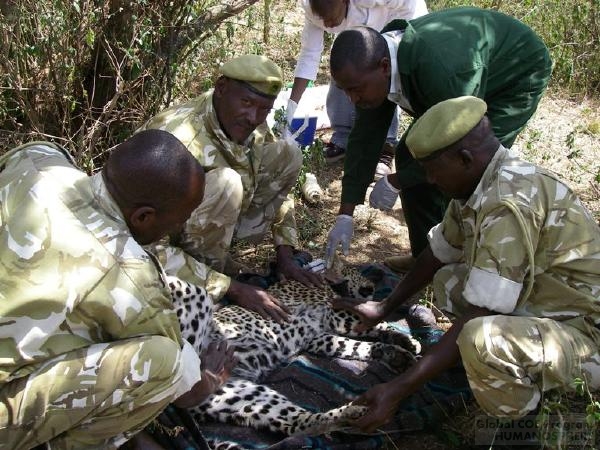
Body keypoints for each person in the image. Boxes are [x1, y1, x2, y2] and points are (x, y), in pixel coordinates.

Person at [333, 96, 600, 432]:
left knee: (479, 338)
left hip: (587, 336)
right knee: (448, 280)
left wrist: (397, 390)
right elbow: (437, 253)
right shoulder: (478, 182)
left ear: (464, 158)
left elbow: (481, 313)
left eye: (432, 171)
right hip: (551, 306)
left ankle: (522, 430)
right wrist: (385, 307)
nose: (430, 181)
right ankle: (506, 366)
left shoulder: (507, 202)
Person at [0, 130, 237, 449]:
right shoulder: (129, 270)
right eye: (178, 220)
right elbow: (184, 388)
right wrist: (207, 377)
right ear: (143, 217)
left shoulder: (38, 158)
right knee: (164, 362)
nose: (178, 229)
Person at [324, 6, 552, 272]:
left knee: (471, 169)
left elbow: (457, 146)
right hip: (465, 79)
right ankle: (425, 257)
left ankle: (472, 265)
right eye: (346, 92)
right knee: (414, 154)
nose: (353, 99)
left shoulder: (440, 70)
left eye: (355, 90)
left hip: (515, 73)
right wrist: (346, 213)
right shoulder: (374, 65)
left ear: (384, 67)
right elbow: (364, 140)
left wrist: (399, 180)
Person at [138, 54, 323, 324]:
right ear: (222, 87)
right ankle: (200, 287)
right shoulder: (176, 139)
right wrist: (231, 288)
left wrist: (286, 253)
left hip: (213, 223)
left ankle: (218, 265)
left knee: (289, 154)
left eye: (264, 110)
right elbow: (147, 248)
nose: (253, 117)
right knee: (226, 183)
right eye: (246, 103)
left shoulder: (252, 122)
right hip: (157, 244)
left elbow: (279, 192)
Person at [289, 0, 428, 178]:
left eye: (331, 18)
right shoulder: (312, 8)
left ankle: (385, 147)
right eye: (322, 20)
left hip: (398, 21)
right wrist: (292, 106)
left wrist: (388, 42)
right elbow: (310, 53)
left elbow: (408, 6)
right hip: (355, 36)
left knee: (382, 83)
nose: (327, 25)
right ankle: (343, 139)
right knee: (344, 67)